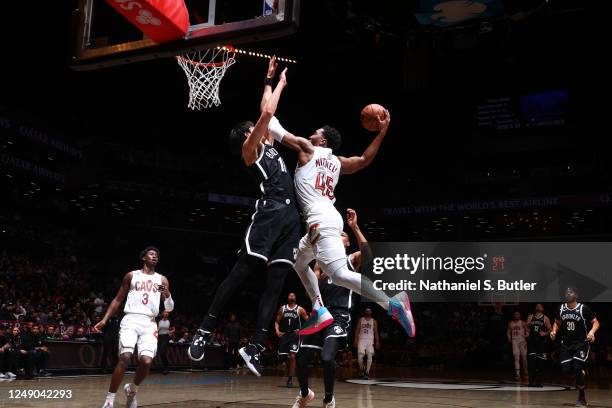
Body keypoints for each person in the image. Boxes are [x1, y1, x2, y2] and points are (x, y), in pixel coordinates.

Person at [265, 83, 415, 338]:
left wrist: (270, 85)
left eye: (315, 132)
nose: (310, 133)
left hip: (320, 219)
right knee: (299, 262)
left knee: (340, 274)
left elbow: (269, 120)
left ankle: (392, 303)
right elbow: (365, 160)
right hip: (322, 221)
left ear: (321, 140)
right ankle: (319, 308)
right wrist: (383, 131)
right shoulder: (338, 162)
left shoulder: (307, 148)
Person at [188, 59, 300, 378]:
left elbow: (265, 110)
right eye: (253, 127)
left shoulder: (267, 143)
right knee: (241, 272)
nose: (259, 126)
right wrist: (281, 84)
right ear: (247, 134)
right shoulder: (250, 150)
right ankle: (205, 329)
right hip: (270, 211)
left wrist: (267, 79)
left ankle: (257, 345)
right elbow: (267, 114)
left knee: (276, 283)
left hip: (291, 216)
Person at [292, 208, 368, 408]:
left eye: (341, 235)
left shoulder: (351, 261)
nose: (335, 236)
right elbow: (311, 284)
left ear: (347, 242)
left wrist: (354, 227)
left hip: (340, 315)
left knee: (327, 358)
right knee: (300, 359)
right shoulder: (320, 264)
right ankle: (305, 394)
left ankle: (328, 399)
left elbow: (368, 254)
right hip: (320, 312)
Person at [95, 247, 174, 408]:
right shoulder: (132, 276)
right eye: (151, 254)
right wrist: (104, 320)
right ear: (143, 257)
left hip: (149, 322)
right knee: (125, 357)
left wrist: (167, 295)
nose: (154, 257)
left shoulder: (161, 280)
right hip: (130, 319)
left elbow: (169, 307)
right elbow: (117, 300)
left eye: (157, 255)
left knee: (146, 361)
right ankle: (110, 400)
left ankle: (132, 390)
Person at [551, 287, 600, 407]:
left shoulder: (583, 308)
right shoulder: (561, 308)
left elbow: (596, 322)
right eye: (566, 292)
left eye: (571, 292)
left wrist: (592, 332)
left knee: (578, 367)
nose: (568, 293)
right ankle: (580, 374)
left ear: (576, 295)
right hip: (566, 344)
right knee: (566, 370)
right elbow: (557, 322)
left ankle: (582, 397)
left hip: (581, 343)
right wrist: (553, 331)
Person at [275, 293, 308, 387]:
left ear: (296, 298)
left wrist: (302, 330)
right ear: (287, 298)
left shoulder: (300, 309)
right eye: (290, 295)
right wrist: (277, 331)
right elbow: (277, 322)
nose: (292, 296)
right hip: (285, 334)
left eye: (293, 295)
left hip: (294, 335)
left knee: (292, 356)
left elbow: (308, 321)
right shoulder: (282, 309)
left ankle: (290, 379)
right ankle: (291, 369)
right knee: (283, 358)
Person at [526, 304, 551, 387]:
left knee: (540, 363)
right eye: (537, 306)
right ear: (535, 308)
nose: (538, 306)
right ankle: (531, 381)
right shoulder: (530, 317)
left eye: (540, 306)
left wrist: (545, 333)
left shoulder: (545, 318)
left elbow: (550, 329)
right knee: (532, 362)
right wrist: (527, 332)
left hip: (541, 343)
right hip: (532, 342)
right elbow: (527, 327)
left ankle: (539, 382)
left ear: (543, 309)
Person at [354, 308, 380, 380]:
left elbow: (376, 332)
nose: (368, 312)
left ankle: (367, 372)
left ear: (371, 312)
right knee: (360, 355)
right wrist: (356, 339)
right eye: (367, 311)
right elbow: (357, 330)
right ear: (365, 312)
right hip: (361, 339)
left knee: (370, 355)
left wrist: (377, 341)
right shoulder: (361, 320)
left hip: (370, 340)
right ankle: (362, 369)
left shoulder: (374, 321)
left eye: (369, 311)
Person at [507, 311, 529, 382]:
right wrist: (509, 338)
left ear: (520, 316)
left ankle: (525, 373)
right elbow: (508, 332)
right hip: (515, 341)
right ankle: (517, 375)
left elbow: (528, 331)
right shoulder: (511, 323)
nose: (516, 315)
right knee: (516, 358)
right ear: (514, 315)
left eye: (518, 314)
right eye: (515, 314)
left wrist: (526, 336)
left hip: (522, 342)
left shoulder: (523, 323)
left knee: (524, 358)